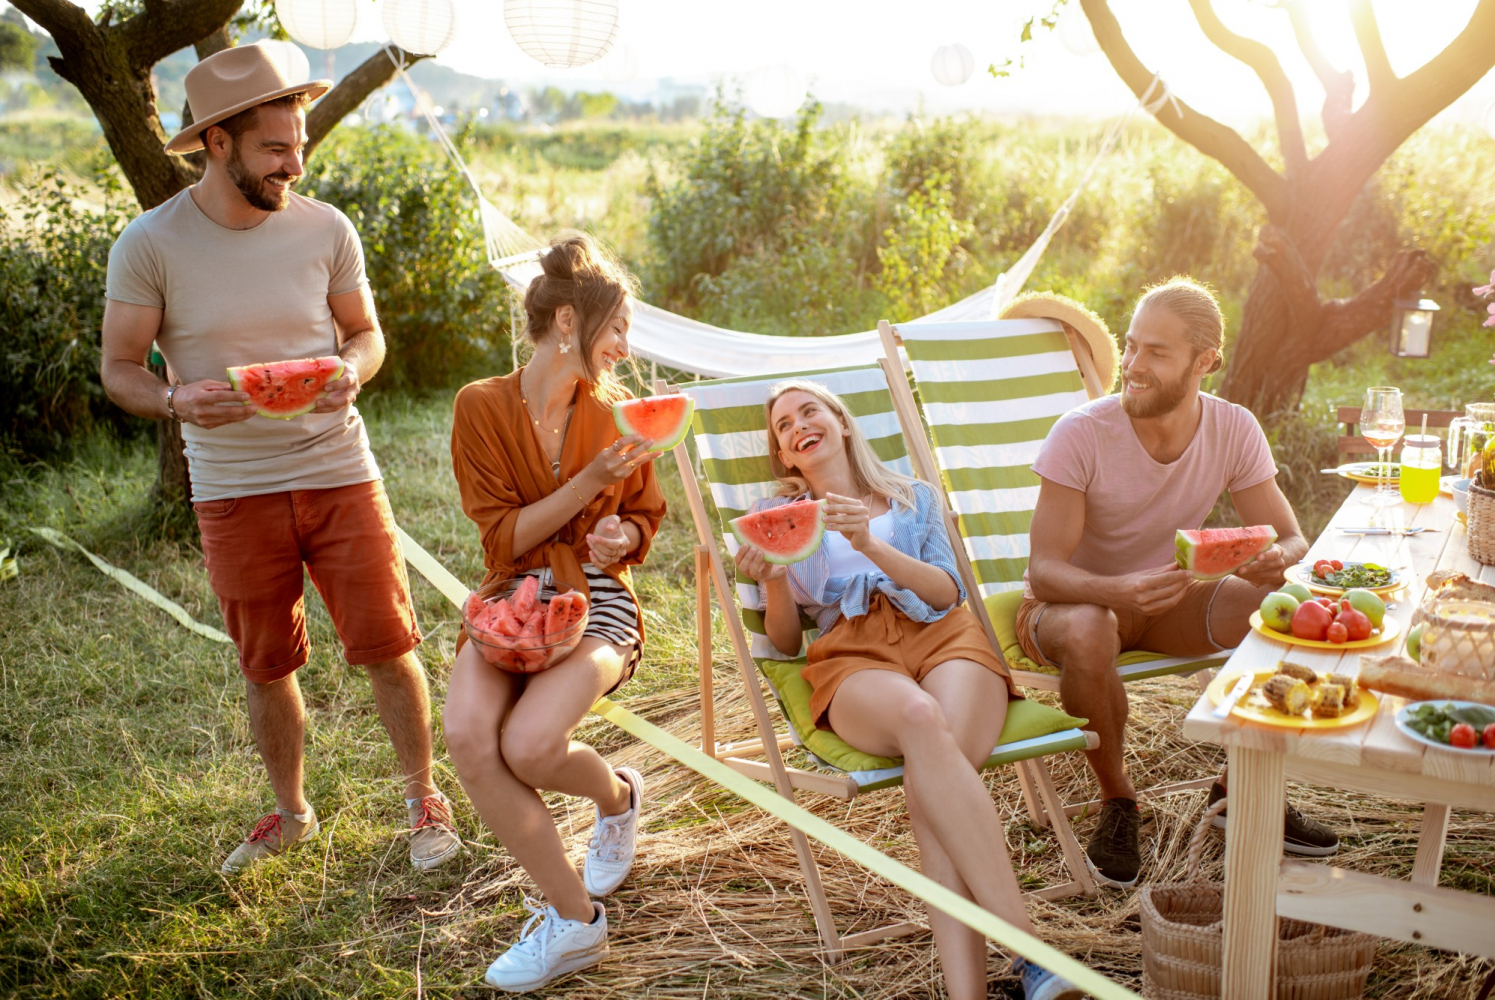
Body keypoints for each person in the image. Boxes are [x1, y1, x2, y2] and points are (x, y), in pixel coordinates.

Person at [100, 43, 460, 874]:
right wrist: (172, 398)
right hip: (231, 487)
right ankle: (293, 812)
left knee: (388, 645)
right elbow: (120, 368)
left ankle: (422, 797)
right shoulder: (150, 244)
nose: (294, 163)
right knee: (266, 663)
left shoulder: (326, 228)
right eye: (274, 148)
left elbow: (365, 336)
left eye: (299, 145)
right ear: (217, 142)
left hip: (340, 469)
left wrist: (349, 372)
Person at [735, 379, 1084, 1000]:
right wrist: (778, 583)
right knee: (922, 721)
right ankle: (1034, 953)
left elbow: (947, 594)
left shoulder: (912, 497)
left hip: (942, 634)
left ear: (841, 423)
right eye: (783, 426)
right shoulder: (778, 518)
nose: (796, 426)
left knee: (930, 794)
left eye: (808, 410)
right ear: (785, 455)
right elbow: (786, 644)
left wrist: (869, 543)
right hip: (852, 651)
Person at [1020, 277, 1336, 891]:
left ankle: (1241, 788)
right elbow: (1044, 571)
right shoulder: (1081, 433)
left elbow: (1293, 539)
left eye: (1156, 353)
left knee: (1282, 608)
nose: (1133, 367)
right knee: (1090, 629)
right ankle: (1118, 803)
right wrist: (1117, 592)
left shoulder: (1234, 427)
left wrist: (1277, 562)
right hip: (1072, 606)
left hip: (1170, 601)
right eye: (1132, 347)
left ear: (1205, 361)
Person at [445, 232, 667, 993]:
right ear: (569, 322)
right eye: (618, 330)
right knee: (472, 740)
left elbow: (642, 520)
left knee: (533, 746)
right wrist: (587, 487)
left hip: (599, 605)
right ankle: (575, 920)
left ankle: (618, 797)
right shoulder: (479, 405)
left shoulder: (621, 418)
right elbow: (502, 536)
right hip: (514, 593)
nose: (626, 350)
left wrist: (618, 534)